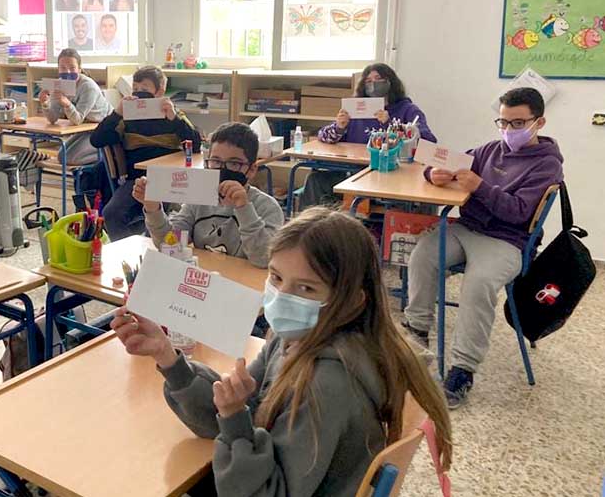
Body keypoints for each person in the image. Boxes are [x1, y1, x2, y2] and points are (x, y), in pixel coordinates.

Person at [111, 207, 453, 496]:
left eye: (305, 287)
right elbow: (242, 408)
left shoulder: (327, 384)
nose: (283, 296)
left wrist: (233, 419)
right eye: (276, 278)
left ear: (351, 301)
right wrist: (168, 357)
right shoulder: (297, 337)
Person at [403, 87, 564, 409]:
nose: (508, 131)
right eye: (502, 122)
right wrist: (432, 173)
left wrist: (480, 186)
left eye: (517, 123)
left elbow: (518, 212)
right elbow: (440, 163)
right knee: (422, 256)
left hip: (508, 240)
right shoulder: (489, 150)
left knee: (478, 283)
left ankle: (463, 369)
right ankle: (415, 336)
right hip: (467, 228)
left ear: (539, 122)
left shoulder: (548, 165)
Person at [134, 122, 283, 268]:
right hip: (205, 282)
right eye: (216, 161)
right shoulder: (199, 199)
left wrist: (243, 208)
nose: (223, 169)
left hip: (245, 286)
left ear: (251, 169)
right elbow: (170, 245)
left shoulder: (267, 207)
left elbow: (263, 259)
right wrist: (153, 208)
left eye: (234, 163)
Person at [301, 63, 437, 208]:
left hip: (390, 173)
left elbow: (428, 141)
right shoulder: (356, 108)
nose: (373, 84)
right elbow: (324, 136)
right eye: (368, 81)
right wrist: (339, 127)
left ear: (390, 82)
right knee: (315, 179)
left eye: (378, 79)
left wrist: (391, 124)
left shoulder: (407, 110)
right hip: (354, 171)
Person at [90, 65, 200, 239]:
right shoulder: (127, 116)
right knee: (111, 213)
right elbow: (97, 140)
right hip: (137, 180)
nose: (139, 93)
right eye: (135, 89)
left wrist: (174, 119)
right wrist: (117, 113)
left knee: (161, 218)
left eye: (144, 89)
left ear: (159, 91)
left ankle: (153, 248)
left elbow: (196, 145)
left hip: (168, 180)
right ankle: (128, 251)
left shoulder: (172, 113)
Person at [39, 48, 110, 126]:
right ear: (58, 69)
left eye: (72, 68)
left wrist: (67, 104)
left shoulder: (88, 87)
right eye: (63, 68)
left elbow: (77, 120)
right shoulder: (58, 84)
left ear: (79, 69)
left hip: (102, 125)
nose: (67, 72)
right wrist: (45, 103)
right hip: (83, 125)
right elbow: (53, 119)